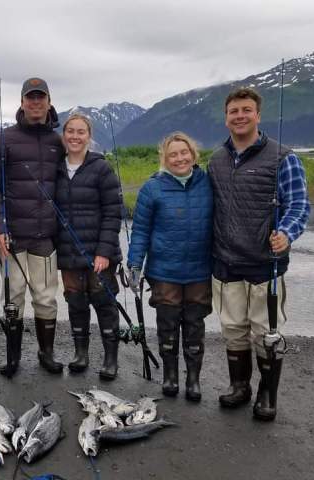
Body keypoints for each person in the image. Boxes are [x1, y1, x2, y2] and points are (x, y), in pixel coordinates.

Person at [209, 86, 310, 421]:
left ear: (258, 115)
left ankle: (268, 394)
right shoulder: (217, 159)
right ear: (226, 119)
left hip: (266, 265)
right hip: (225, 264)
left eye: (246, 110)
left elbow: (298, 205)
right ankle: (240, 387)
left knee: (266, 333)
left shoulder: (284, 157)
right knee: (232, 329)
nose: (240, 116)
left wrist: (287, 233)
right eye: (234, 111)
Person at [0, 77, 65, 376]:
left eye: (40, 97)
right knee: (13, 298)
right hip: (11, 237)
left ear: (48, 101)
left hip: (46, 236)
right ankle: (13, 357)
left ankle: (47, 354)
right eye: (30, 97)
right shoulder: (0, 141)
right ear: (21, 102)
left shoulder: (58, 142)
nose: (35, 102)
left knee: (45, 298)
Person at [127, 132, 213, 401]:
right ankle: (170, 377)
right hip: (164, 271)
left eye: (184, 152)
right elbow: (140, 230)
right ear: (164, 158)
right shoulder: (152, 188)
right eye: (173, 154)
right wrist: (134, 265)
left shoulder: (208, 183)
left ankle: (193, 379)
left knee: (194, 325)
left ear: (193, 154)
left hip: (200, 269)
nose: (179, 158)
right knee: (167, 324)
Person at [54, 113, 123, 380]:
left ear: (89, 136)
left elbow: (113, 212)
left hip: (99, 255)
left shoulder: (101, 168)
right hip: (69, 254)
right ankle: (81, 354)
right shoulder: (57, 169)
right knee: (76, 303)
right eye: (70, 131)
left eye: (80, 132)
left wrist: (104, 252)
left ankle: (110, 359)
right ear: (64, 136)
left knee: (105, 304)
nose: (74, 136)